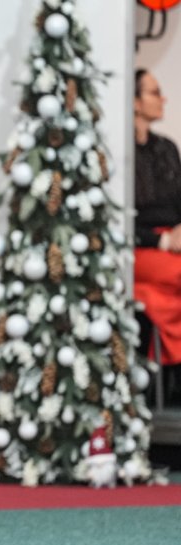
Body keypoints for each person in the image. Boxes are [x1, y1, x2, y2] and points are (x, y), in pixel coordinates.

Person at [133, 69, 181, 399]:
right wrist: (161, 240)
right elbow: (123, 218)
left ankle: (167, 382)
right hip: (142, 246)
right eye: (154, 92)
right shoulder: (122, 152)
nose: (162, 98)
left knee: (164, 296)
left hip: (172, 242)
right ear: (135, 102)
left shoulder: (166, 148)